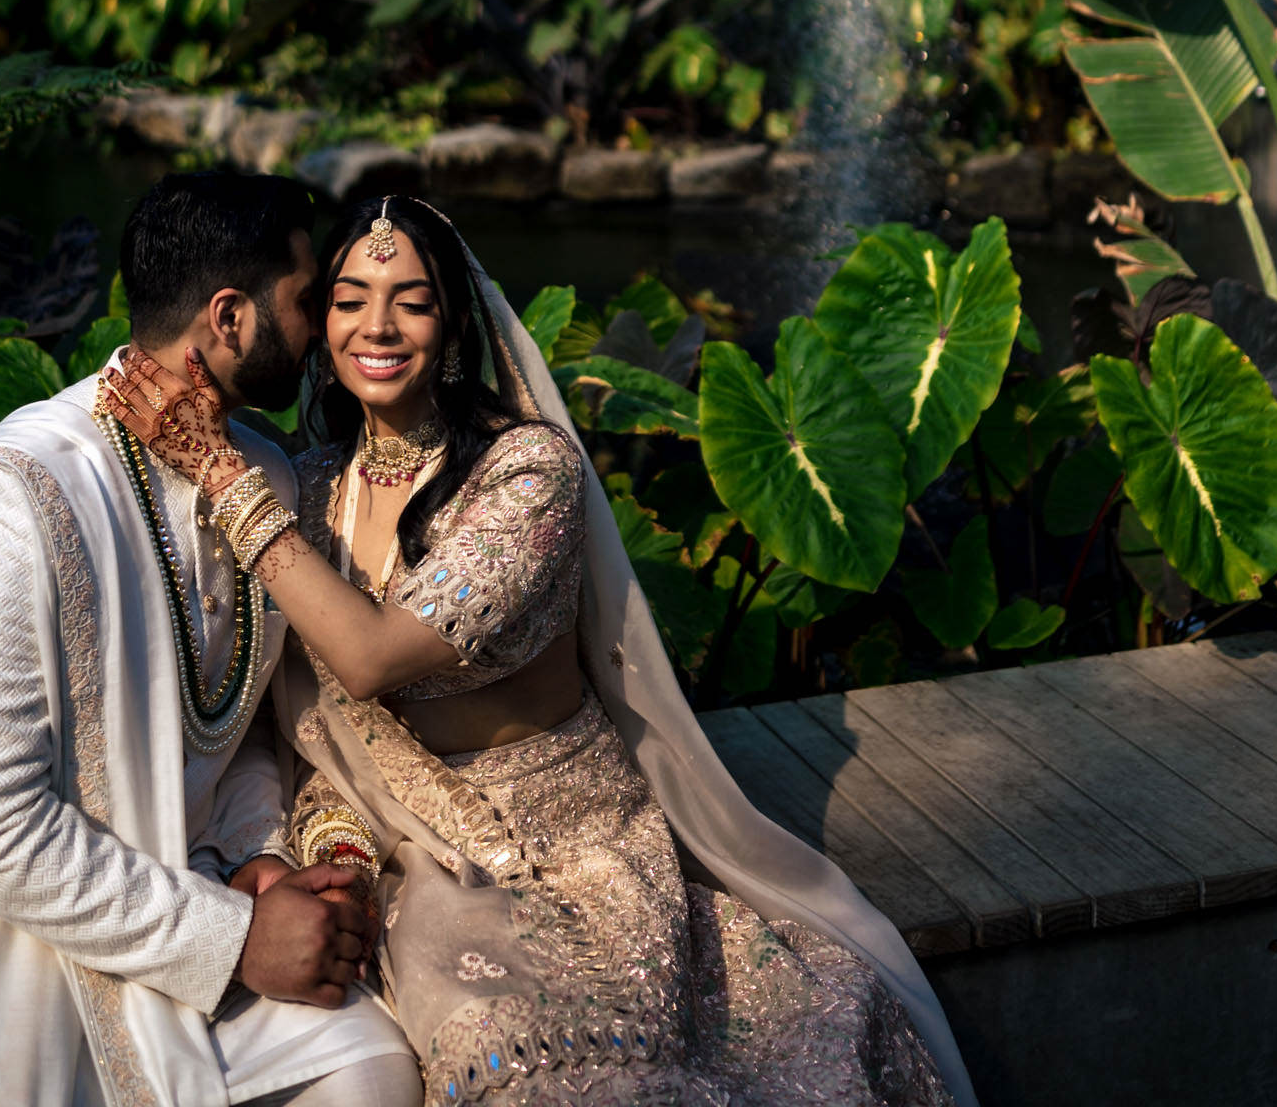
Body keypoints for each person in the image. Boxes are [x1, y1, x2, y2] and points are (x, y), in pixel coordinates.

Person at [101, 193, 977, 1107]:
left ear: (454, 323)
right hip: (414, 861)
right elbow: (316, 731)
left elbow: (366, 660)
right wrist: (337, 853)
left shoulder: (525, 476)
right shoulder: (305, 487)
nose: (378, 326)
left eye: (412, 299)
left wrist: (221, 475)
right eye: (350, 297)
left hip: (575, 845)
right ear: (320, 322)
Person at [0, 171, 423, 1107]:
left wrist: (259, 858)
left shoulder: (263, 479)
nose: (320, 333)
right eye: (304, 302)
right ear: (228, 317)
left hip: (196, 882)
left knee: (372, 1072)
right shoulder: (9, 500)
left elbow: (243, 729)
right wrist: (230, 939)